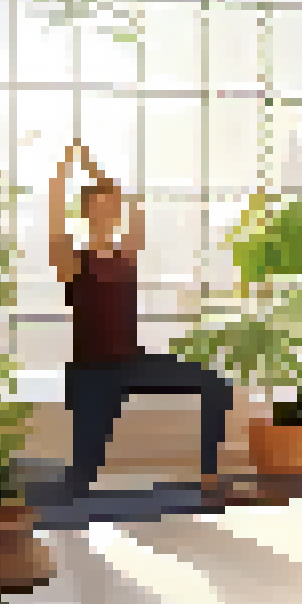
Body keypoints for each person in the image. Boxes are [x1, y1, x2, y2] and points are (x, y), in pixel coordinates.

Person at [48, 140, 235, 504]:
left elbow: (132, 204)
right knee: (79, 481)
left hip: (133, 363)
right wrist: (71, 167)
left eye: (109, 209)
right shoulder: (72, 259)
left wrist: (96, 171)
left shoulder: (128, 251)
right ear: (85, 214)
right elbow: (56, 210)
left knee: (215, 385)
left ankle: (209, 475)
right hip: (92, 373)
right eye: (96, 210)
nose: (105, 216)